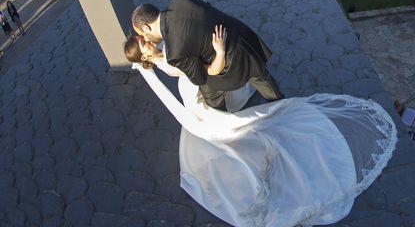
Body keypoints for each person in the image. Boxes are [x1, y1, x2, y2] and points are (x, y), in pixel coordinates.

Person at [127, 37, 397, 227]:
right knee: (254, 132)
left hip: (198, 92)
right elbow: (188, 80)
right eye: (142, 42)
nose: (146, 39)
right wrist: (217, 52)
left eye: (142, 37)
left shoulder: (162, 50)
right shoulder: (163, 61)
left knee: (255, 123)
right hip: (199, 96)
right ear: (144, 55)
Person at [132, 0, 283, 111]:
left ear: (146, 27)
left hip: (230, 62)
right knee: (261, 75)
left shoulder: (175, 53)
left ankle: (226, 121)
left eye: (143, 34)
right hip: (243, 36)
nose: (148, 38)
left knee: (209, 92)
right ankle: (282, 103)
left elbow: (202, 76)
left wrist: (218, 52)